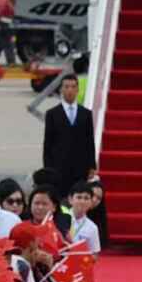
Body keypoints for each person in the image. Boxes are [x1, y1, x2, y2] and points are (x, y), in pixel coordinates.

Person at [38, 71, 96, 199]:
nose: (70, 90)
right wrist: (47, 168)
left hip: (80, 167)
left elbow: (89, 140)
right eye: (66, 87)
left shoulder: (85, 114)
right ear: (61, 89)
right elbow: (48, 143)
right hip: (59, 167)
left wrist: (92, 165)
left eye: (73, 87)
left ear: (77, 90)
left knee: (79, 196)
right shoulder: (52, 114)